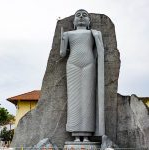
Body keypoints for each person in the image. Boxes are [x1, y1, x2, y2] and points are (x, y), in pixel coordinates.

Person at [60, 9, 105, 142]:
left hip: (89, 64)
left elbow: (100, 51)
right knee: (74, 98)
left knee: (87, 98)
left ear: (89, 21)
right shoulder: (68, 34)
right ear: (73, 21)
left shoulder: (94, 33)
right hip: (72, 64)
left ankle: (86, 135)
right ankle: (75, 135)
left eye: (84, 15)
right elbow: (62, 54)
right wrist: (62, 40)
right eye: (78, 15)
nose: (80, 17)